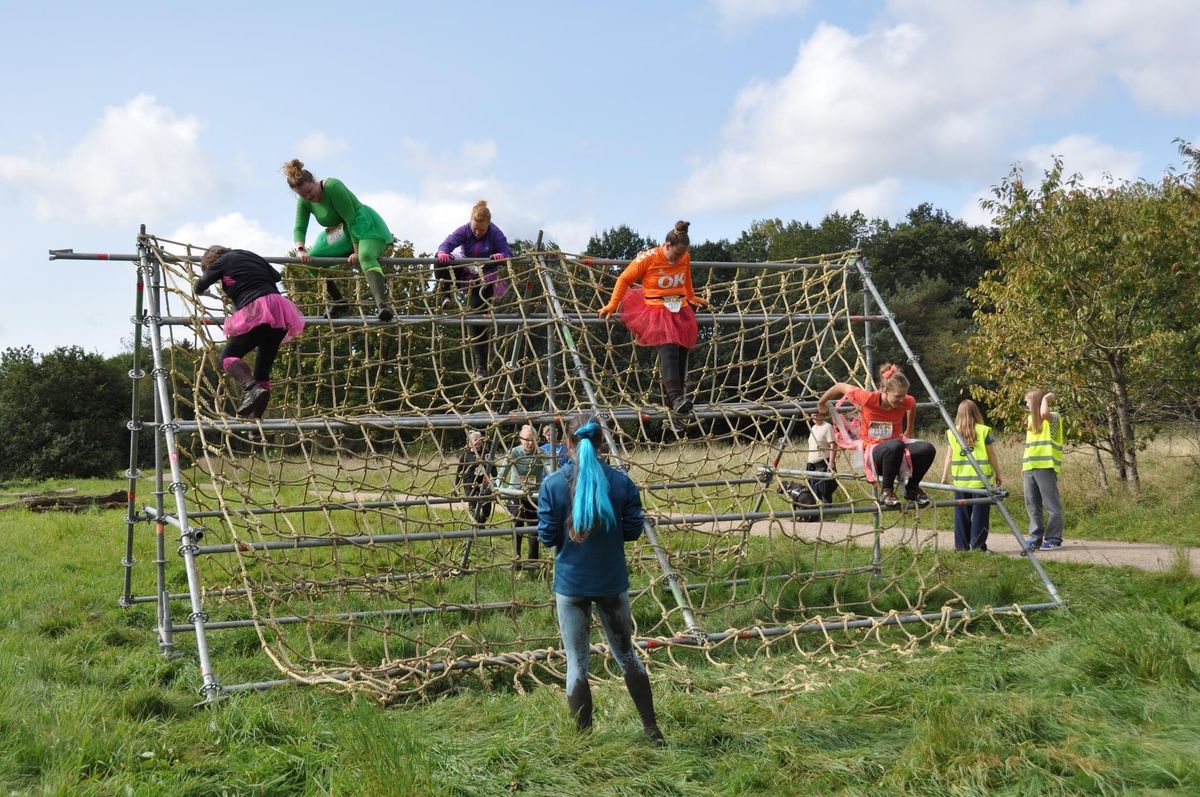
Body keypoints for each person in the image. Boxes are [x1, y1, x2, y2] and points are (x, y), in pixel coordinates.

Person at [537, 414, 663, 745]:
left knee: (576, 665)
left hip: (571, 585)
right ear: (603, 443)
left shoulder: (552, 485)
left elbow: (548, 538)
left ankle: (584, 741)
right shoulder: (621, 482)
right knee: (627, 655)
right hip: (611, 582)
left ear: (567, 443)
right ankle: (652, 730)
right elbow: (634, 531)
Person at [598, 221, 707, 416]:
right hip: (656, 310)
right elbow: (624, 279)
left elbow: (686, 275)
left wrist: (691, 297)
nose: (679, 258)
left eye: (683, 254)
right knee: (669, 349)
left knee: (681, 353)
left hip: (679, 308)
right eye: (676, 254)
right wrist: (612, 305)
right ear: (666, 246)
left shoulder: (684, 257)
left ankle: (675, 403)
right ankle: (676, 398)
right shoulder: (648, 259)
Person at [193, 246, 306, 419]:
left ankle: (251, 387)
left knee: (227, 357)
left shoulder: (221, 261)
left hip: (257, 307)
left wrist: (204, 290)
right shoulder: (250, 255)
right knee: (262, 371)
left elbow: (200, 285)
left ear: (211, 261)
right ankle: (254, 420)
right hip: (280, 309)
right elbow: (276, 276)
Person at [284, 159, 395, 322]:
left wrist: (356, 252)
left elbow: (350, 219)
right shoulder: (305, 201)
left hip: (363, 226)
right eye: (302, 195)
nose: (309, 197)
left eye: (309, 191)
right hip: (343, 232)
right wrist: (300, 249)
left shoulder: (333, 187)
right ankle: (339, 302)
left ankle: (383, 305)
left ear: (314, 181)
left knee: (365, 257)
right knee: (311, 260)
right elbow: (299, 227)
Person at [816, 363, 936, 509]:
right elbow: (840, 386)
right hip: (874, 453)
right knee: (896, 445)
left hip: (896, 451)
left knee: (928, 448)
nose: (901, 400)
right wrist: (822, 402)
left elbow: (912, 404)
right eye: (897, 396)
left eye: (904, 395)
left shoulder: (906, 401)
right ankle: (887, 491)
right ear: (885, 390)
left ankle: (912, 488)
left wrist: (909, 429)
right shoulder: (868, 398)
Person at [436, 200, 513, 377]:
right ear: (470, 222)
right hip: (466, 270)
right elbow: (446, 244)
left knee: (476, 315)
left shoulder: (495, 233)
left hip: (485, 276)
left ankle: (481, 366)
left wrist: (501, 256)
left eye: (482, 230)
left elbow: (508, 253)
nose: (478, 232)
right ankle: (445, 296)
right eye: (475, 229)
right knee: (440, 260)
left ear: (488, 226)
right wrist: (442, 253)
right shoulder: (464, 230)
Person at [939, 399, 1002, 551]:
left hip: (961, 481)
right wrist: (998, 474)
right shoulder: (984, 430)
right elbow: (991, 455)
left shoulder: (952, 432)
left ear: (959, 415)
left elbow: (949, 456)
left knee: (961, 515)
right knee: (980, 516)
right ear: (976, 413)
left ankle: (961, 547)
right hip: (981, 482)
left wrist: (944, 476)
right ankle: (979, 546)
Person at [498, 424, 550, 566]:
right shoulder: (514, 452)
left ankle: (533, 561)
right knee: (517, 522)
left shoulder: (540, 453)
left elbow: (551, 470)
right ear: (520, 439)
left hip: (533, 496)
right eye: (527, 439)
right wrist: (499, 489)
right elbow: (502, 474)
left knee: (534, 527)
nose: (530, 443)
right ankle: (517, 560)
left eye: (533, 439)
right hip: (515, 494)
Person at [1022, 389, 1064, 551]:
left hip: (1046, 467)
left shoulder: (1054, 417)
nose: (1026, 403)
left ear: (1036, 402)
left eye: (1028, 400)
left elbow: (1044, 413)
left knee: (1051, 505)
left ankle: (1054, 538)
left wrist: (1046, 398)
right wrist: (1023, 466)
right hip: (1030, 467)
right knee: (1032, 503)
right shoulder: (1031, 420)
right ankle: (1035, 537)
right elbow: (1028, 446)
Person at [456, 430, 496, 524]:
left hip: (483, 484)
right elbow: (459, 471)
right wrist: (456, 485)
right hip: (469, 484)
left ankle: (481, 523)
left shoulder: (485, 453)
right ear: (469, 442)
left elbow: (492, 466)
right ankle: (476, 527)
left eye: (480, 439)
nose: (478, 442)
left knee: (487, 509)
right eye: (475, 440)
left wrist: (496, 478)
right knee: (473, 507)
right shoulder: (465, 455)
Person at [805, 411, 838, 504]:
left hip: (823, 463)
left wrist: (831, 463)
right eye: (813, 415)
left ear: (822, 415)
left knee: (824, 490)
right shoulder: (813, 427)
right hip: (812, 464)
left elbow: (833, 445)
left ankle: (828, 512)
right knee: (814, 490)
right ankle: (817, 512)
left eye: (816, 414)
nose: (814, 417)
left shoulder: (827, 427)